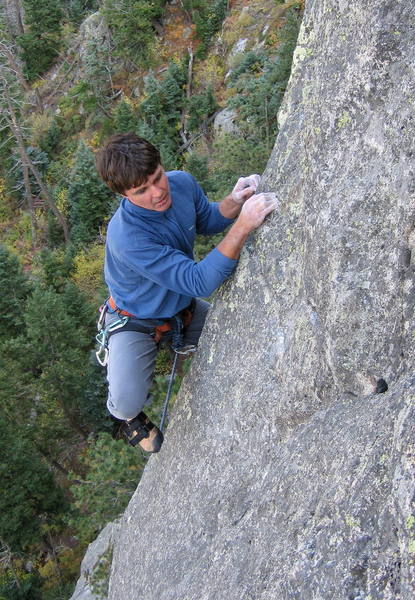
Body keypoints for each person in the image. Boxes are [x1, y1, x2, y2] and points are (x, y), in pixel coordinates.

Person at [95, 133, 278, 453]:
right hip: (137, 322)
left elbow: (205, 219)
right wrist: (244, 224)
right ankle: (127, 420)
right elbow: (198, 282)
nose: (157, 192)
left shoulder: (180, 183)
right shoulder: (128, 237)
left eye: (157, 177)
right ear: (124, 194)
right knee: (126, 403)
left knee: (245, 329)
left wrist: (234, 202)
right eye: (142, 190)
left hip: (181, 307)